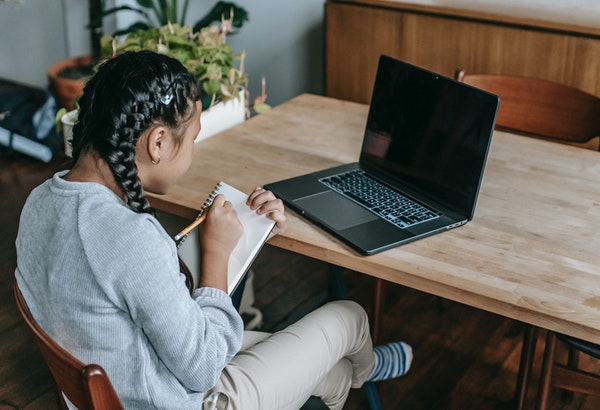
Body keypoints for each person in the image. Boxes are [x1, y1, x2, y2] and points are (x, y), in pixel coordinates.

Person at [15, 50, 412, 410]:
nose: (191, 153)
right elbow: (204, 367)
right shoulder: (129, 237)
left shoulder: (40, 203)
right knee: (350, 317)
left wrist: (245, 235)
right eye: (192, 139)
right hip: (181, 397)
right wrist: (218, 253)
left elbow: (130, 283)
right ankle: (368, 369)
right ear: (156, 143)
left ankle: (348, 379)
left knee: (330, 373)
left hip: (130, 378)